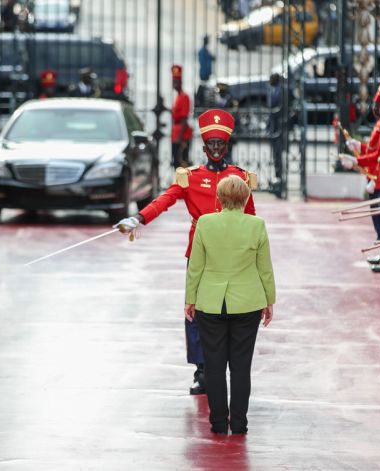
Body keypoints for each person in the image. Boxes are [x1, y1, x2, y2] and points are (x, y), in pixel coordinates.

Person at [115, 109, 257, 396]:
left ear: (226, 146)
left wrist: (252, 254)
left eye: (220, 144)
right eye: (211, 145)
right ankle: (202, 370)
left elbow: (251, 219)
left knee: (231, 310)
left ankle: (225, 366)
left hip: (233, 255)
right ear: (204, 148)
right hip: (201, 253)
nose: (216, 150)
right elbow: (164, 200)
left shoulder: (240, 177)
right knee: (196, 311)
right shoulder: (190, 177)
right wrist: (139, 218)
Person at [184, 175, 275, 435]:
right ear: (245, 199)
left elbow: (196, 267)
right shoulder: (257, 225)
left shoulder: (205, 223)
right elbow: (265, 269)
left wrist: (190, 299)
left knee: (213, 365)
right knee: (240, 366)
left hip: (211, 302)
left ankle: (218, 422)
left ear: (219, 198)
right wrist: (269, 301)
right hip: (247, 302)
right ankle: (239, 422)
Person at [170, 65, 193, 168]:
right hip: (176, 134)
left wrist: (180, 138)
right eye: (173, 81)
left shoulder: (184, 97)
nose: (174, 84)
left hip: (182, 135)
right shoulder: (178, 96)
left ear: (180, 83)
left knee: (182, 163)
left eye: (176, 82)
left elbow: (184, 118)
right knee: (176, 163)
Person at [267, 73, 283, 193]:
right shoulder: (273, 91)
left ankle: (279, 177)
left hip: (279, 127)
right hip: (273, 127)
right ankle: (277, 176)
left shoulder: (281, 92)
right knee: (275, 154)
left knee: (278, 153)